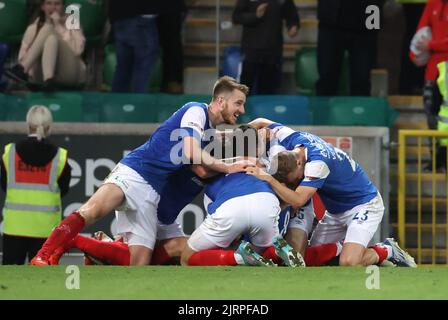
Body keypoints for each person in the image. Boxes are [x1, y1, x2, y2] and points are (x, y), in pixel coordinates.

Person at [31, 76, 251, 266]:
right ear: (220, 101)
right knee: (92, 211)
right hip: (135, 170)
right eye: (238, 104)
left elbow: (204, 164)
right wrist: (228, 166)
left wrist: (259, 132)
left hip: (151, 191)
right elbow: (191, 151)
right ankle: (44, 255)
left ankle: (98, 247)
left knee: (139, 262)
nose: (242, 110)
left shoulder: (209, 131)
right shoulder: (196, 110)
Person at [245, 118, 417, 267]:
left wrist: (268, 178)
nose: (297, 182)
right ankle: (353, 249)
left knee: (349, 263)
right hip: (335, 212)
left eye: (296, 178)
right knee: (316, 259)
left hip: (364, 204)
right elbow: (261, 122)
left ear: (299, 163)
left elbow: (298, 200)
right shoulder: (293, 137)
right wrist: (234, 136)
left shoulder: (318, 164)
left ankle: (387, 250)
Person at [1, 106, 71, 265]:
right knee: (43, 282)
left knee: (10, 282)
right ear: (49, 127)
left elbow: (4, 185)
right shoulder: (60, 156)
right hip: (46, 230)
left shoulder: (9, 152)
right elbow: (64, 189)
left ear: (28, 125)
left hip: (14, 228)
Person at [3, 0, 86, 90]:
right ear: (43, 7)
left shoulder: (72, 23)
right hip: (41, 75)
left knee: (49, 31)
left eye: (57, 4)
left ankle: (22, 68)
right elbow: (22, 56)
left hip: (68, 72)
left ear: (63, 7)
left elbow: (78, 50)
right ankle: (48, 79)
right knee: (51, 38)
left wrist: (58, 25)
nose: (53, 7)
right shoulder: (32, 28)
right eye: (49, 3)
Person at [315, 0, 384, 96]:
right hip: (330, 20)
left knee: (362, 81)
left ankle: (360, 111)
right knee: (326, 79)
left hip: (368, 21)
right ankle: (323, 110)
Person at [410, 0, 448, 170]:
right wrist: (415, 53)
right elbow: (421, 32)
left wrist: (431, 45)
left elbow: (428, 41)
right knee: (431, 116)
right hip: (433, 71)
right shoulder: (432, 3)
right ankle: (437, 159)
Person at [232, 0, 300, 94]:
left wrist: (293, 26)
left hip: (273, 52)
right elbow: (236, 17)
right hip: (251, 51)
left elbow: (292, 15)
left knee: (268, 92)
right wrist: (255, 16)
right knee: (245, 91)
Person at [108, 0, 160, 93]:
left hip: (118, 14)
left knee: (123, 69)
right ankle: (139, 105)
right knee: (142, 69)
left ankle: (116, 104)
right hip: (141, 15)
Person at [157, 0, 186, 94]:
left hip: (171, 9)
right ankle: (165, 81)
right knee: (166, 46)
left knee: (172, 45)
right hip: (158, 10)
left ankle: (173, 81)